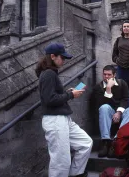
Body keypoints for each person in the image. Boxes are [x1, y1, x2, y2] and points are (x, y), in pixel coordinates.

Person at [36, 42, 92, 177]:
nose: (64, 61)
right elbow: (49, 100)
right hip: (55, 120)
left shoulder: (50, 73)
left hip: (63, 119)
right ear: (53, 56)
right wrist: (71, 95)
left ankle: (76, 174)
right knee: (61, 162)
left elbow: (52, 96)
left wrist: (68, 93)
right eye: (62, 57)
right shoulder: (49, 74)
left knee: (85, 143)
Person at [89, 65, 129, 158]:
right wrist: (108, 89)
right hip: (108, 113)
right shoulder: (98, 87)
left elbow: (126, 99)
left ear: (114, 75)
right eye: (104, 74)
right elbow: (100, 105)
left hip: (120, 112)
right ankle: (105, 141)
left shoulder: (122, 83)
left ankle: (117, 141)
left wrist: (119, 112)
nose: (106, 77)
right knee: (104, 107)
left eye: (109, 75)